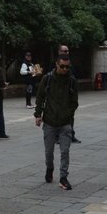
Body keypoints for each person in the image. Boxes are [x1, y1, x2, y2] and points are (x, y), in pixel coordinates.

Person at [34, 51, 78, 189]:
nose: (65, 69)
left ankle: (63, 177)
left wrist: (68, 114)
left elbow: (74, 102)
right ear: (56, 65)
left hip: (65, 123)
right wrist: (38, 114)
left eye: (67, 67)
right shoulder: (47, 79)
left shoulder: (71, 81)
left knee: (65, 151)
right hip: (49, 121)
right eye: (62, 66)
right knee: (49, 151)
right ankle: (49, 168)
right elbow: (40, 97)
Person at [57, 45, 81, 141]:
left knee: (70, 115)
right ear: (59, 52)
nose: (67, 53)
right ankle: (58, 136)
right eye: (64, 51)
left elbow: (74, 76)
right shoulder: (55, 63)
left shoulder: (70, 63)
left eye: (67, 51)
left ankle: (71, 134)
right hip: (59, 95)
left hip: (69, 94)